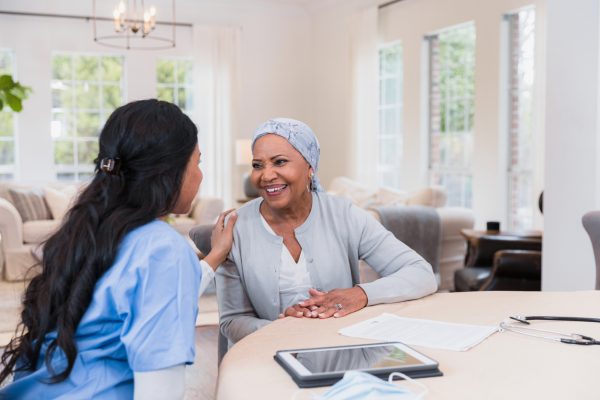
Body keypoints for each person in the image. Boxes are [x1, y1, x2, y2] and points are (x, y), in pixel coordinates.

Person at [0, 99, 237, 399]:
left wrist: (215, 255)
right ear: (171, 170)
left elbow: (147, 292)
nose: (200, 174)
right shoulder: (163, 249)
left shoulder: (90, 232)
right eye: (198, 162)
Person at [216, 118, 437, 348]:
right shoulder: (235, 227)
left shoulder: (345, 215)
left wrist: (359, 294)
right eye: (257, 165)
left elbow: (421, 273)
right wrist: (283, 329)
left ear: (310, 167)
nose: (266, 175)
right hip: (264, 353)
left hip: (339, 351)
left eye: (279, 162)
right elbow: (231, 321)